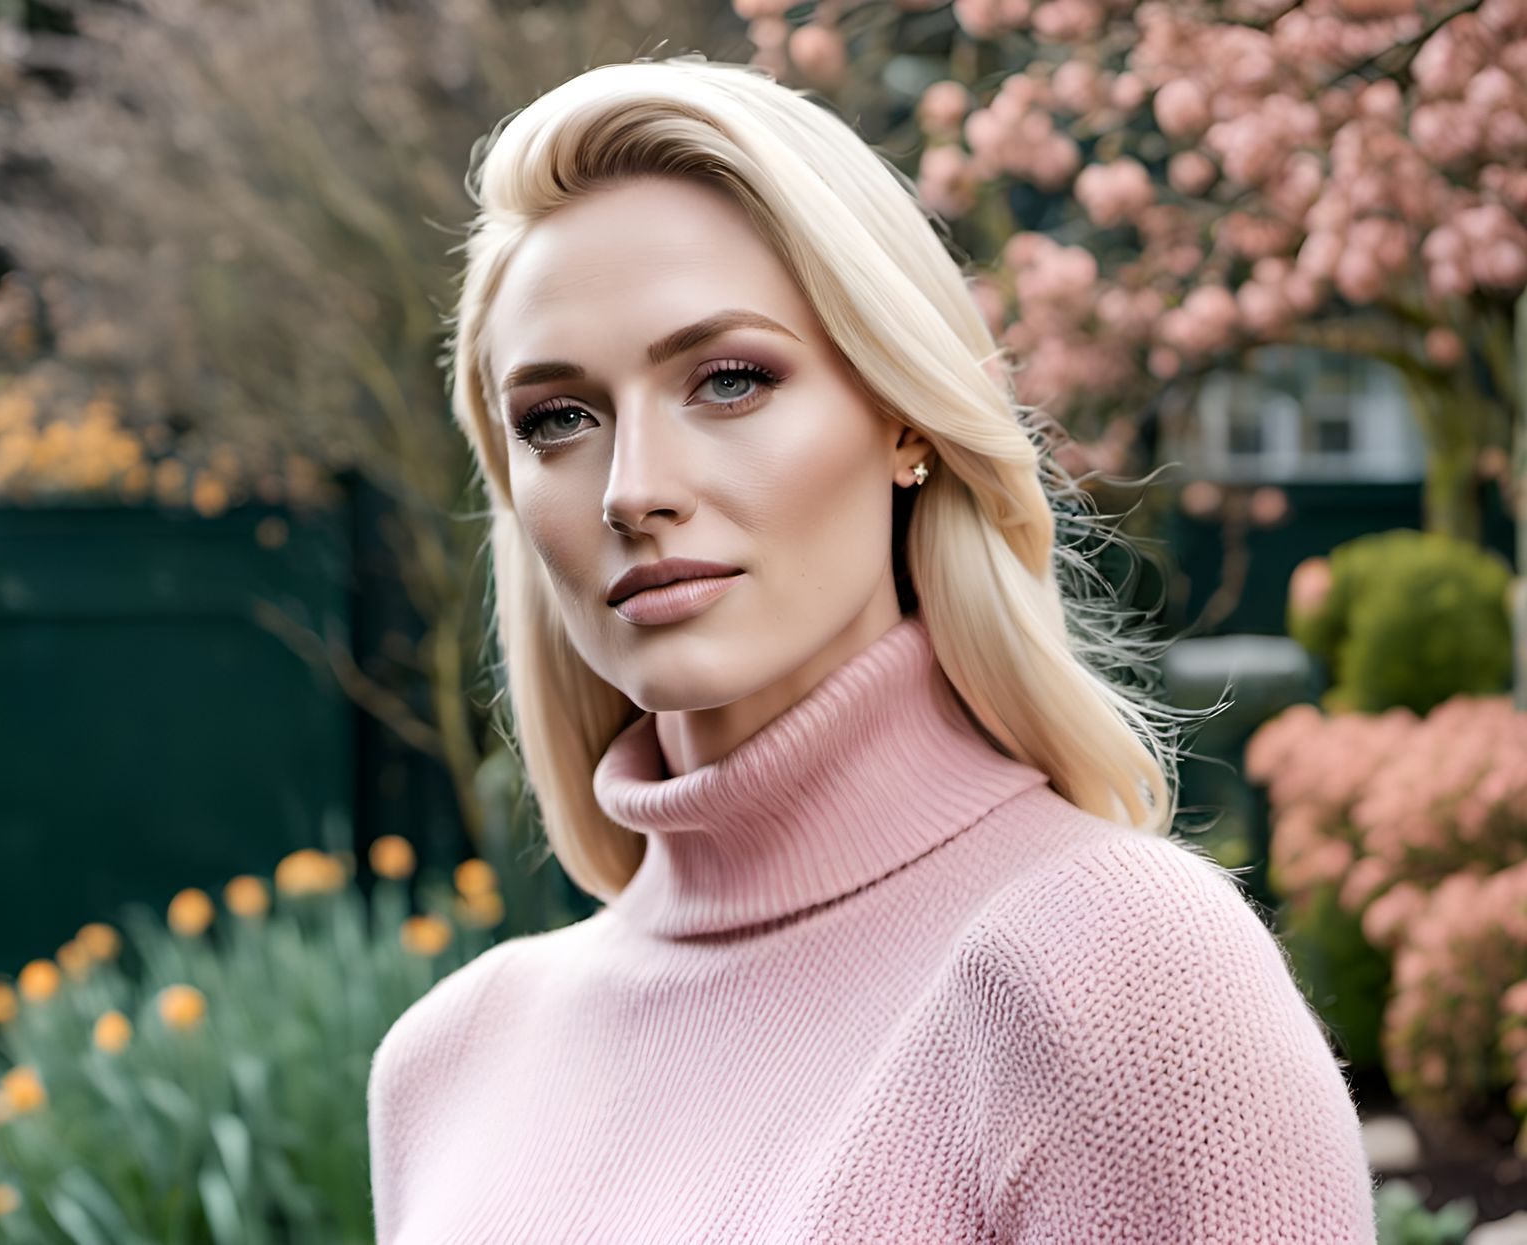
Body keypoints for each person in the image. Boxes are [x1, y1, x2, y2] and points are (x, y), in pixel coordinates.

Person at [367, 54, 1378, 1243]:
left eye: (729, 380)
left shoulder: (1114, 975)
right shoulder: (449, 1062)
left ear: (901, 415)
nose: (632, 490)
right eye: (559, 420)